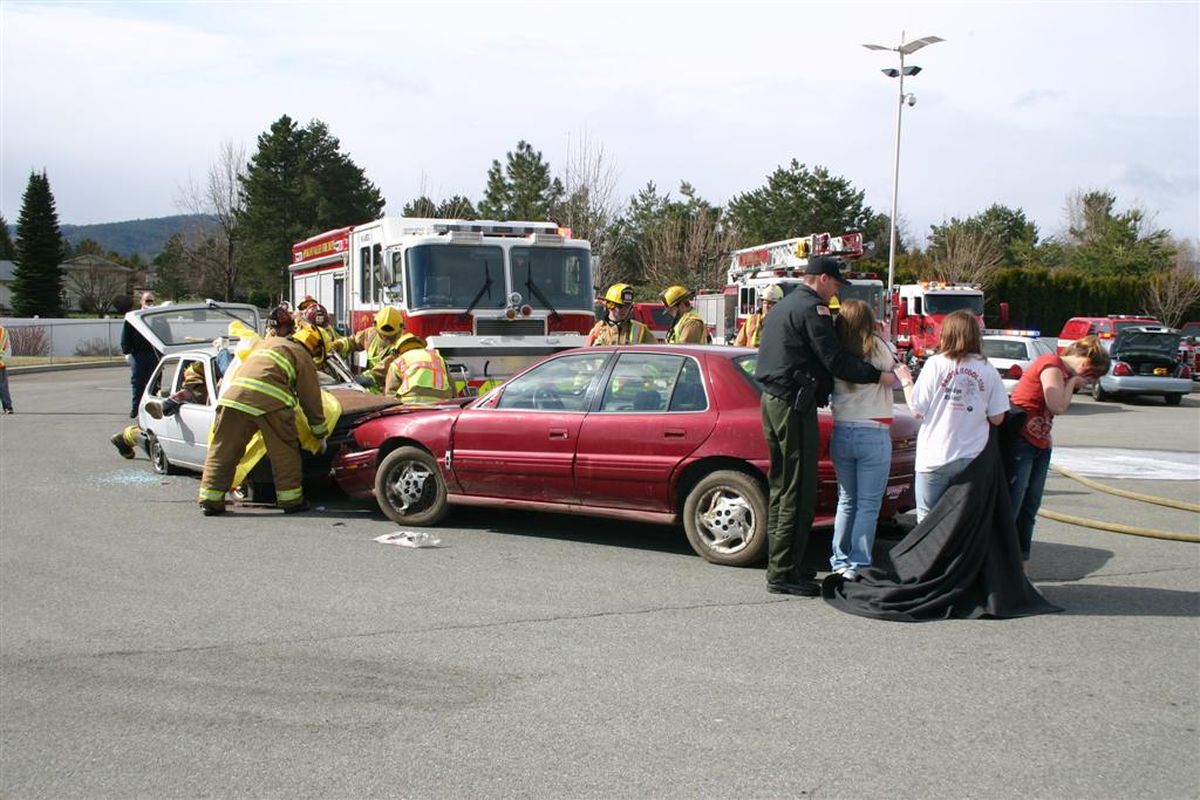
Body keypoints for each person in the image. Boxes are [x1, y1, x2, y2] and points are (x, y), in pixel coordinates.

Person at [754, 256, 897, 597]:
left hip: (776, 401)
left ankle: (784, 564)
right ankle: (784, 573)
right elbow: (834, 360)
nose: (836, 292)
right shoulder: (812, 309)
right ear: (821, 279)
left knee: (782, 485)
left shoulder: (785, 306)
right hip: (792, 405)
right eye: (835, 284)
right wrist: (878, 376)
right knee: (797, 490)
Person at [197, 326, 328, 516]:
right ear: (315, 348)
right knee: (284, 452)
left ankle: (210, 499)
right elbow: (311, 399)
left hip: (233, 398)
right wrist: (319, 433)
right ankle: (291, 500)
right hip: (272, 403)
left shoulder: (266, 344)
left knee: (223, 449)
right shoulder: (302, 355)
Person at [900, 310, 1011, 522]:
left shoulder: (936, 364)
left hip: (935, 456)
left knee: (927, 522)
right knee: (963, 523)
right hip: (971, 457)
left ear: (946, 334)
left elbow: (916, 409)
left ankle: (930, 556)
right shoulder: (988, 369)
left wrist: (906, 380)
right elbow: (998, 418)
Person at [1008, 335, 1109, 561]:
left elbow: (1047, 409)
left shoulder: (1059, 369)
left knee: (1029, 507)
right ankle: (1003, 566)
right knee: (1014, 506)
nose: (1088, 381)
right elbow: (1056, 405)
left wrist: (1046, 433)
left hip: (1038, 443)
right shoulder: (1051, 364)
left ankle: (1020, 564)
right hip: (1022, 442)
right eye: (1091, 376)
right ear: (1085, 365)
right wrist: (1072, 384)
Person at [828, 299, 897, 582]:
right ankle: (858, 562)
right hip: (874, 430)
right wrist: (884, 334)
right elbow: (895, 373)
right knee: (868, 504)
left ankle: (839, 559)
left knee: (847, 500)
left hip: (842, 429)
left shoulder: (837, 352)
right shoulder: (879, 347)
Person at [338, 306, 406, 392]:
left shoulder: (402, 345)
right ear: (375, 327)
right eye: (383, 335)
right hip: (371, 392)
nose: (386, 338)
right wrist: (338, 345)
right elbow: (353, 341)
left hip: (390, 392)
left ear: (400, 330)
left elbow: (385, 367)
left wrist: (367, 377)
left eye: (391, 336)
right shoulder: (371, 334)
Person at [383, 334, 456, 405]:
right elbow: (452, 385)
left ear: (398, 350)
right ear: (420, 344)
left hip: (411, 402)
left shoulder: (398, 361)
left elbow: (390, 393)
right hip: (441, 401)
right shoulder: (437, 357)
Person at [120, 291, 159, 418]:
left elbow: (166, 335)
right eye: (147, 301)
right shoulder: (134, 317)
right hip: (138, 354)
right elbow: (126, 336)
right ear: (141, 302)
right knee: (138, 382)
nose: (149, 303)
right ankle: (136, 408)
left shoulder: (159, 318)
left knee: (154, 383)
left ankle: (152, 411)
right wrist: (127, 352)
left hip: (154, 355)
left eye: (151, 301)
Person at [587, 283, 653, 345]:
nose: (625, 310)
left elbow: (655, 353)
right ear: (610, 306)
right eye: (620, 307)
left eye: (627, 306)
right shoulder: (598, 329)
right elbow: (588, 354)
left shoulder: (640, 329)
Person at [0, 322, 13, 413]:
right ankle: (8, 407)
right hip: (1, 362)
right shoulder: (3, 330)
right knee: (3, 386)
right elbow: (7, 347)